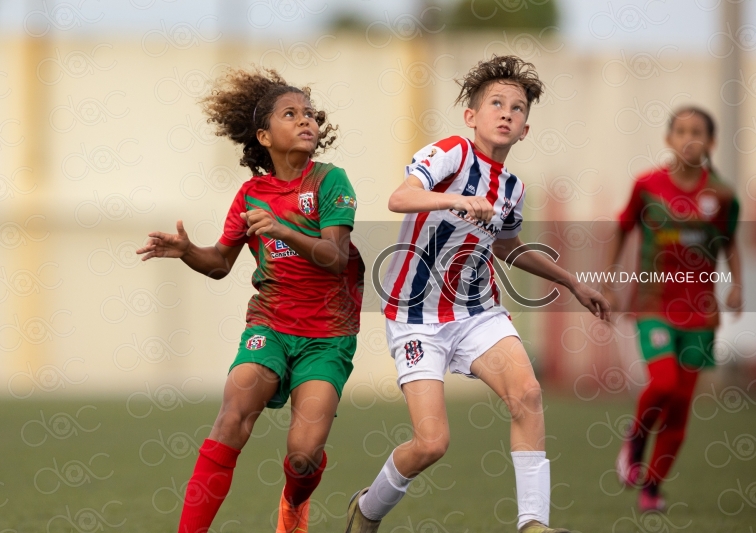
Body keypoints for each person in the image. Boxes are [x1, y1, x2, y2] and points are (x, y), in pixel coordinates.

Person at [344, 55, 610, 533]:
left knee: (527, 393)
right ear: (472, 116)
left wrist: (571, 281)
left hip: (475, 310)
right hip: (415, 316)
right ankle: (367, 509)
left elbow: (507, 245)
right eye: (496, 103)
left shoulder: (512, 187)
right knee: (431, 443)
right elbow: (399, 198)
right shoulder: (451, 154)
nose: (507, 113)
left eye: (518, 107)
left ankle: (533, 524)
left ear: (525, 128)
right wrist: (455, 198)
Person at [137, 68, 365, 533]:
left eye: (310, 114)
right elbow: (220, 263)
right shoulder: (250, 194)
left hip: (327, 337)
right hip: (269, 327)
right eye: (291, 114)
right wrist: (186, 252)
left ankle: (294, 505)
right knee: (231, 418)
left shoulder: (330, 181)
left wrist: (283, 230)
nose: (306, 122)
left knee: (302, 457)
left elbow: (334, 257)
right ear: (264, 135)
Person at [607, 107, 742, 512]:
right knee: (662, 384)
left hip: (700, 313)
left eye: (697, 132)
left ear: (711, 142)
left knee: (681, 408)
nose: (689, 138)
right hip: (653, 304)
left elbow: (729, 240)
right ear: (669, 139)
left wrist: (737, 285)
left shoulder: (722, 195)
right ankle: (635, 439)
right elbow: (623, 227)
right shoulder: (647, 185)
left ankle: (652, 486)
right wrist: (608, 283)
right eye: (681, 131)